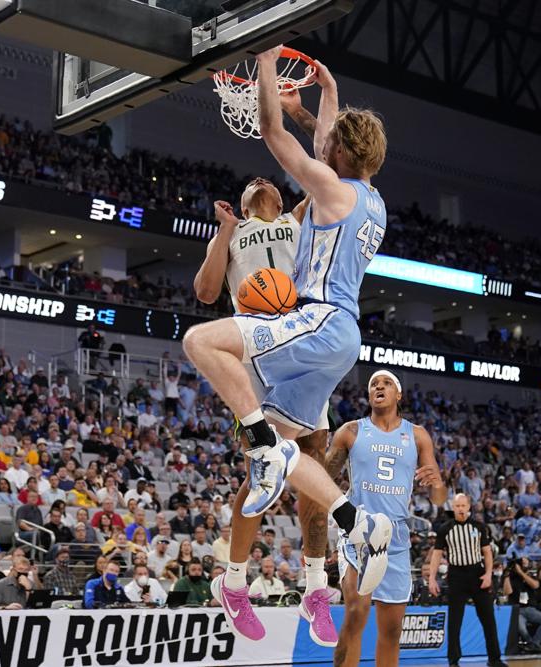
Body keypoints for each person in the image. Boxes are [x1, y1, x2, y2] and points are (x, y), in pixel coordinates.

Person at [184, 51, 391, 643]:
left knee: (201, 342)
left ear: (341, 159)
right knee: (277, 456)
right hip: (338, 340)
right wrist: (325, 96)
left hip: (315, 323)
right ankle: (353, 524)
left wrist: (268, 64)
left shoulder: (322, 191)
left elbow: (273, 132)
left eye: (331, 147)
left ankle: (262, 448)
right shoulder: (370, 195)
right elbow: (331, 142)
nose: (325, 150)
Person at [193, 170, 338, 643]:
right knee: (265, 467)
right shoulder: (235, 234)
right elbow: (207, 292)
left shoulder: (299, 220)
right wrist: (224, 231)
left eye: (269, 180)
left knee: (316, 468)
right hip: (259, 349)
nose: (260, 179)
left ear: (281, 198)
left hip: (303, 345)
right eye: (252, 182)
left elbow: (323, 175)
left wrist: (304, 109)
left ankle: (316, 589)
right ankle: (234, 583)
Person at [329, 370, 448, 665]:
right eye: (373, 385)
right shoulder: (351, 431)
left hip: (395, 536)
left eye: (386, 383)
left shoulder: (417, 435)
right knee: (356, 610)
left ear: (399, 395)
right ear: (369, 396)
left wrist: (437, 482)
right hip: (358, 529)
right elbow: (321, 476)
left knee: (393, 630)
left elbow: (439, 498)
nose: (378, 386)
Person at [429, 494, 504, 667]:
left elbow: (487, 552)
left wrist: (488, 574)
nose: (461, 509)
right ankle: (453, 661)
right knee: (454, 621)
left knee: (488, 619)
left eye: (463, 505)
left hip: (477, 574)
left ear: (469, 507)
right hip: (456, 576)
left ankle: (495, 659)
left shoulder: (479, 527)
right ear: (453, 507)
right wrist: (432, 579)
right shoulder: (445, 528)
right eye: (457, 506)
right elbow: (437, 555)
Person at [503, 558, 541, 654]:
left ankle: (533, 644)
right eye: (523, 563)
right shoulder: (510, 578)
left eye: (526, 563)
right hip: (517, 610)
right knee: (521, 628)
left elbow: (535, 585)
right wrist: (506, 575)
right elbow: (507, 592)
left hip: (530, 609)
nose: (526, 564)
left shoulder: (530, 576)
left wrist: (521, 573)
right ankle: (532, 644)